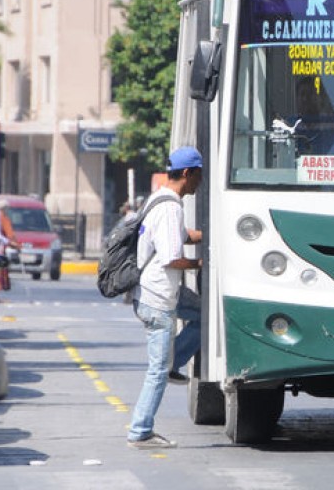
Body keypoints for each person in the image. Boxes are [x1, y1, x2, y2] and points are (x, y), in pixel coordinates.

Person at [127, 146, 203, 450]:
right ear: (187, 174)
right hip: (158, 297)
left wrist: (205, 235)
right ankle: (140, 430)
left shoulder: (158, 199)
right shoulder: (171, 207)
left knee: (203, 314)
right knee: (156, 371)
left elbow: (179, 236)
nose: (200, 183)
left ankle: (175, 361)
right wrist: (202, 263)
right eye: (198, 176)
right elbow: (173, 257)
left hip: (151, 291)